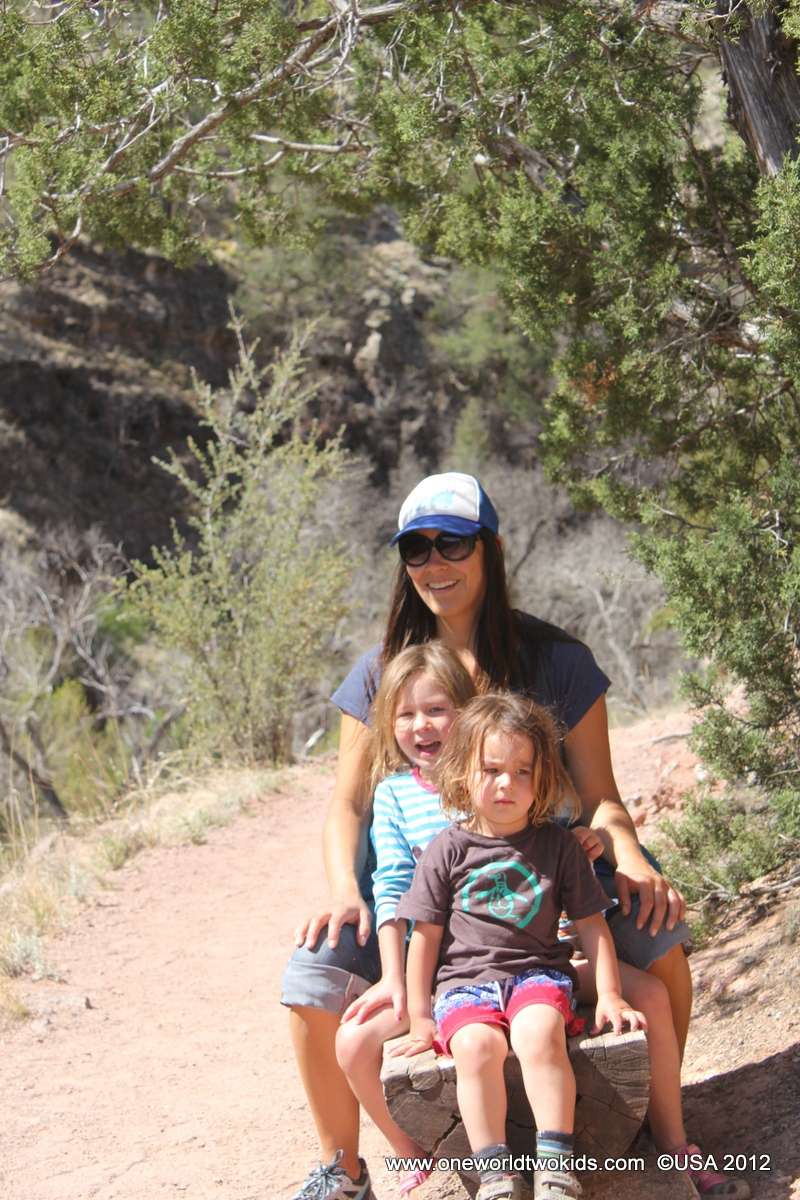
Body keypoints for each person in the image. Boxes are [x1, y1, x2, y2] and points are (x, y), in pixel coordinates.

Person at [280, 471, 694, 1200]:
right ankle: (342, 1168)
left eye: (453, 543)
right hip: (423, 890)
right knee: (313, 972)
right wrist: (346, 889)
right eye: (416, 548)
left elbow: (599, 797)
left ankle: (663, 1139)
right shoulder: (383, 674)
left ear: (491, 549)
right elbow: (348, 805)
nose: (434, 563)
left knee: (657, 935)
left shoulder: (556, 661)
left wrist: (628, 855)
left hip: (546, 868)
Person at [390, 694, 750, 1200]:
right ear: (463, 774)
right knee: (476, 1047)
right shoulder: (445, 850)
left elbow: (592, 927)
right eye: (491, 770)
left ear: (541, 780)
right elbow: (424, 937)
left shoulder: (557, 846)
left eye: (522, 772)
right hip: (467, 984)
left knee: (542, 1029)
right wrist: (420, 1017)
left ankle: (567, 1163)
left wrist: (610, 994)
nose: (506, 783)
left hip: (538, 974)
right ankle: (495, 1173)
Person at [335, 642, 478, 1197]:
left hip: (514, 954)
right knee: (352, 1044)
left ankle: (670, 1140)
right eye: (405, 714)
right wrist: (394, 978)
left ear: (466, 709)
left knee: (649, 997)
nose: (422, 725)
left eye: (437, 709)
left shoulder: (495, 775)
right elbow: (391, 886)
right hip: (433, 972)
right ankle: (409, 1148)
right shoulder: (394, 797)